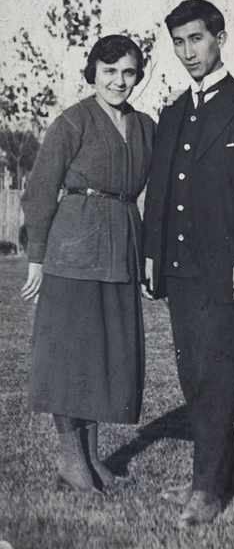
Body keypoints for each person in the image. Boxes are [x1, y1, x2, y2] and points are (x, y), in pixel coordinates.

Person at [144, 0, 234, 527]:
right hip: (179, 266)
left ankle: (207, 488)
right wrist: (153, 254)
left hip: (226, 266)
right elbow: (159, 191)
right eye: (178, 42)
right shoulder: (174, 113)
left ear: (219, 38)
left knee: (216, 374)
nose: (188, 52)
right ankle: (217, 469)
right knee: (192, 372)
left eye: (196, 39)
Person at [21, 35, 155, 494]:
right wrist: (37, 257)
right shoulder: (71, 122)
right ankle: (71, 463)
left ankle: (93, 460)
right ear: (93, 71)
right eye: (109, 70)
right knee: (69, 359)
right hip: (73, 249)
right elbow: (40, 191)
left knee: (105, 358)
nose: (119, 81)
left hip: (122, 250)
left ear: (140, 73)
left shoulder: (145, 126)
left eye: (129, 72)